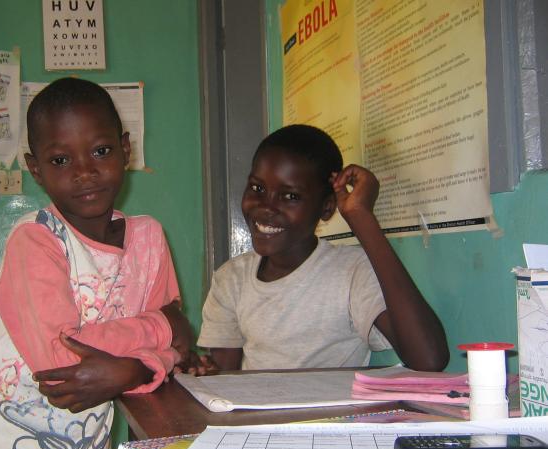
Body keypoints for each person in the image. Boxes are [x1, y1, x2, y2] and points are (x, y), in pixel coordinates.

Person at [0, 77, 192, 449]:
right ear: (36, 169)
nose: (84, 171)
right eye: (60, 160)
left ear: (126, 150)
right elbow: (62, 368)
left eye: (101, 151)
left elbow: (177, 349)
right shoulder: (35, 240)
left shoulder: (148, 239)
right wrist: (150, 342)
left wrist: (144, 361)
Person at [191, 124, 449, 374]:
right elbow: (225, 378)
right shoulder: (231, 279)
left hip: (329, 418)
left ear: (327, 208)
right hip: (254, 416)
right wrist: (206, 372)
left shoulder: (350, 271)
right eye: (257, 188)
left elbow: (428, 359)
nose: (266, 207)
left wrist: (362, 217)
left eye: (290, 196)